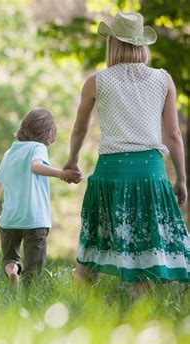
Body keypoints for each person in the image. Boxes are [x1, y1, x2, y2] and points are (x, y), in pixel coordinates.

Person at [62, 12, 190, 295]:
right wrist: (181, 178)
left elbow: (79, 129)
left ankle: (79, 303)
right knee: (144, 239)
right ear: (142, 44)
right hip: (150, 171)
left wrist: (71, 160)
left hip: (110, 171)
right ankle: (138, 307)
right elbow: (173, 135)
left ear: (112, 44)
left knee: (94, 239)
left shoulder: (96, 82)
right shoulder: (163, 79)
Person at [0, 108, 83, 285]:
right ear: (48, 132)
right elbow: (36, 167)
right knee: (34, 266)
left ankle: (12, 271)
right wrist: (62, 173)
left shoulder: (9, 153)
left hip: (9, 220)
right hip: (34, 219)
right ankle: (28, 296)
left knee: (9, 258)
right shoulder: (37, 147)